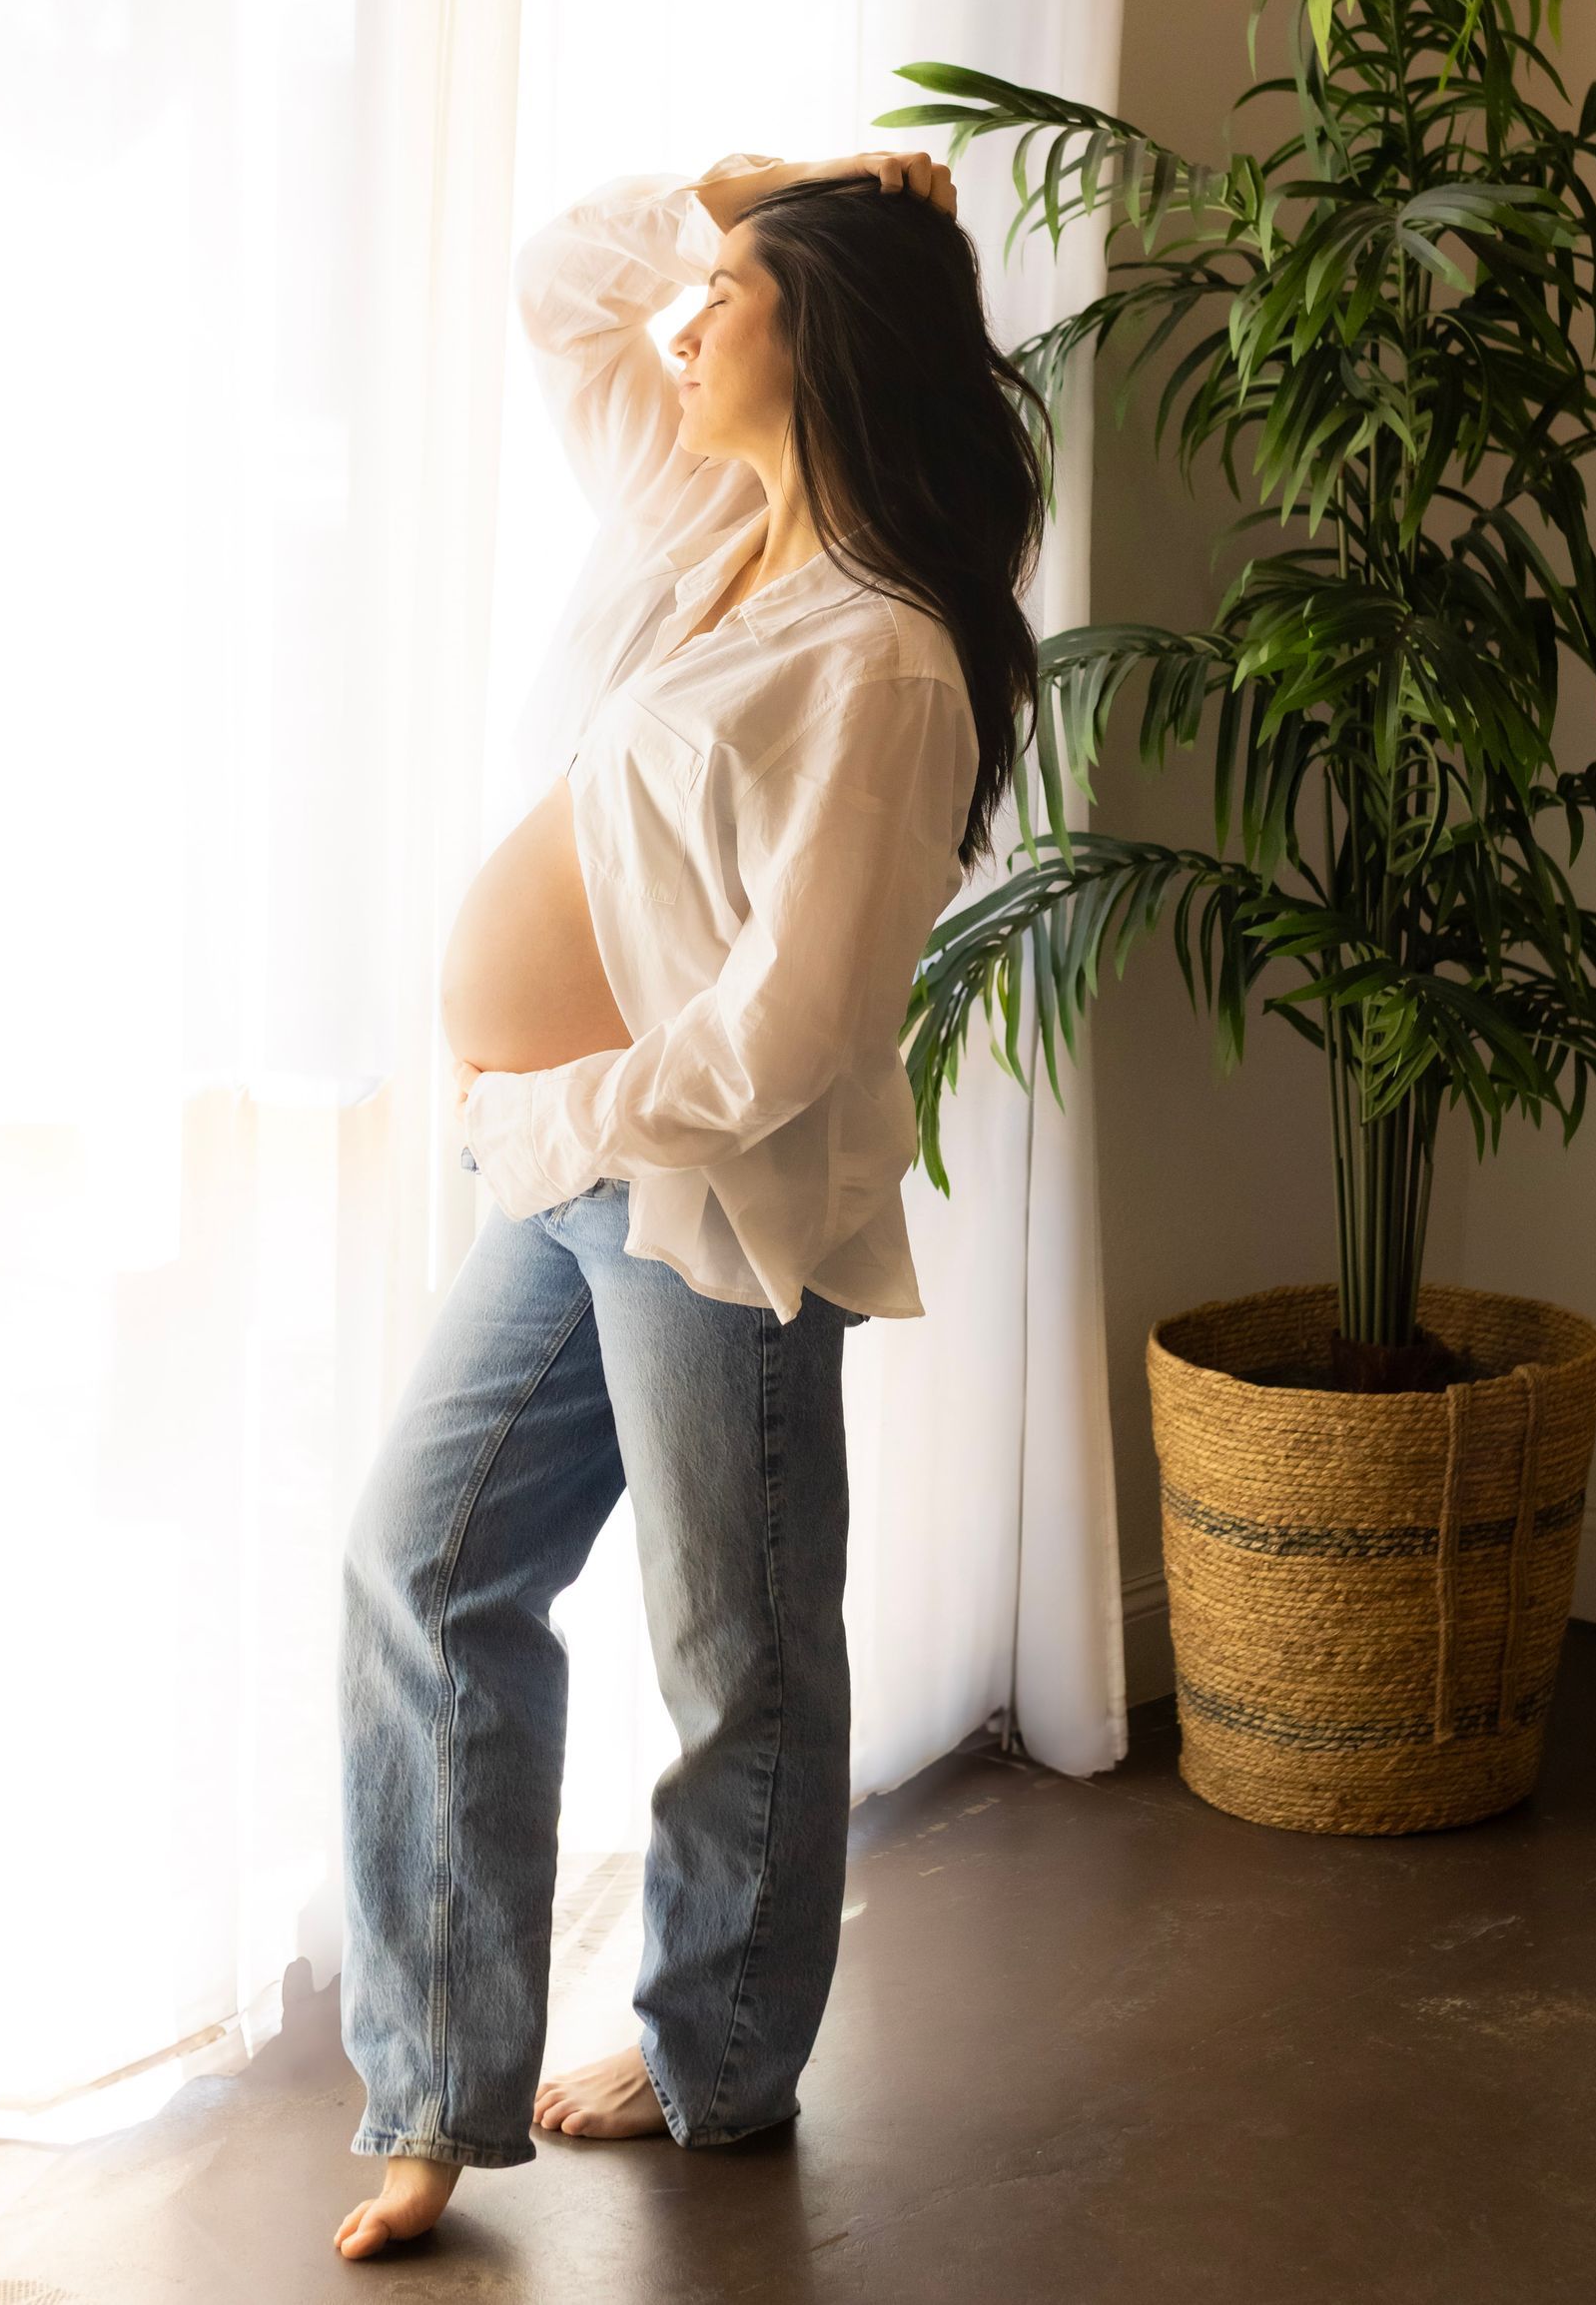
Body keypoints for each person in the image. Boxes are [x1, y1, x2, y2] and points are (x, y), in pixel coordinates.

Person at [334, 146, 1050, 2258]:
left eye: (734, 286)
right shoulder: (699, 527)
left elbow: (783, 1036)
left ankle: (720, 2050)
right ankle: (431, 2091)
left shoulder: (889, 658)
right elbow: (567, 277)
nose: (689, 314)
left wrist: (548, 1112)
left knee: (734, 1649)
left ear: (816, 337)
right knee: (419, 1569)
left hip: (699, 1204)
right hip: (566, 1177)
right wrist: (768, 184)